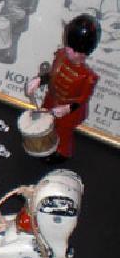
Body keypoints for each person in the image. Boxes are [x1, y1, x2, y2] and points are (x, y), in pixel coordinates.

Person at [25, 14, 101, 163]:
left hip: (69, 111)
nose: (68, 51)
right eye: (68, 47)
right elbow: (52, 74)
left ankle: (62, 152)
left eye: (73, 50)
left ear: (84, 53)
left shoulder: (88, 77)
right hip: (51, 99)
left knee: (63, 131)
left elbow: (82, 100)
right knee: (47, 124)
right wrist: (39, 80)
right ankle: (47, 144)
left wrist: (67, 108)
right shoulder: (61, 55)